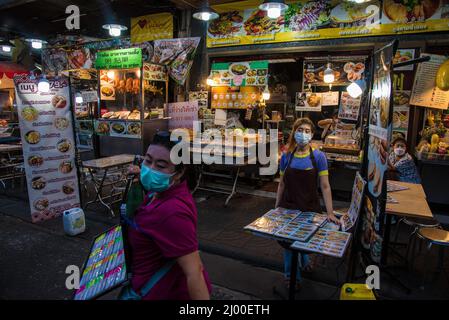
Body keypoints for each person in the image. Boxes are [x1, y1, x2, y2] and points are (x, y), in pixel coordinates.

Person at [123, 131, 211, 300]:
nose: (150, 169)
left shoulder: (172, 213)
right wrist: (140, 175)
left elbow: (195, 272)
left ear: (178, 173)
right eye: (148, 160)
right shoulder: (160, 191)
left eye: (161, 166)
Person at [276, 118, 339, 289]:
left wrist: (330, 212)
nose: (302, 134)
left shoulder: (318, 157)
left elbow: (325, 186)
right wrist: (276, 207)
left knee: (304, 239)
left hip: (310, 206)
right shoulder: (286, 156)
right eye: (300, 130)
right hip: (288, 205)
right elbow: (281, 183)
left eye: (306, 131)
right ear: (294, 132)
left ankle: (304, 261)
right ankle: (291, 276)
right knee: (289, 243)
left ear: (311, 135)